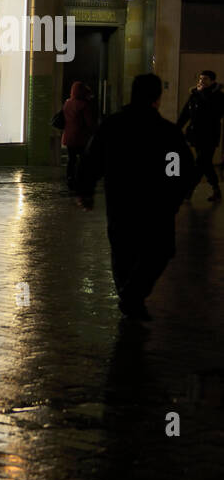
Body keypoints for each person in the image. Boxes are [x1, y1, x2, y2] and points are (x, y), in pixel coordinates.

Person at [78, 74, 193, 321]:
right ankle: (133, 296)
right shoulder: (166, 132)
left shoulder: (113, 126)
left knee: (123, 250)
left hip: (121, 200)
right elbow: (177, 169)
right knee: (160, 249)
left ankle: (129, 295)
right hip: (157, 204)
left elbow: (93, 159)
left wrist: (86, 189)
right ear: (157, 98)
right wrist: (174, 198)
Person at [177, 69, 224, 202]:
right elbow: (186, 113)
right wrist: (177, 128)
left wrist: (201, 93)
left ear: (213, 81)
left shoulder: (219, 96)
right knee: (205, 164)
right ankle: (216, 190)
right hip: (196, 135)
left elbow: (214, 112)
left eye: (205, 79)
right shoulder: (195, 95)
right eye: (200, 79)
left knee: (200, 163)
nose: (201, 82)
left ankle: (188, 190)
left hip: (210, 135)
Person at [61, 81, 98, 193]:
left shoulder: (67, 103)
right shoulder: (84, 105)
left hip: (68, 136)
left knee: (71, 159)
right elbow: (89, 122)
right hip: (81, 137)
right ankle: (81, 180)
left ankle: (70, 179)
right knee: (83, 159)